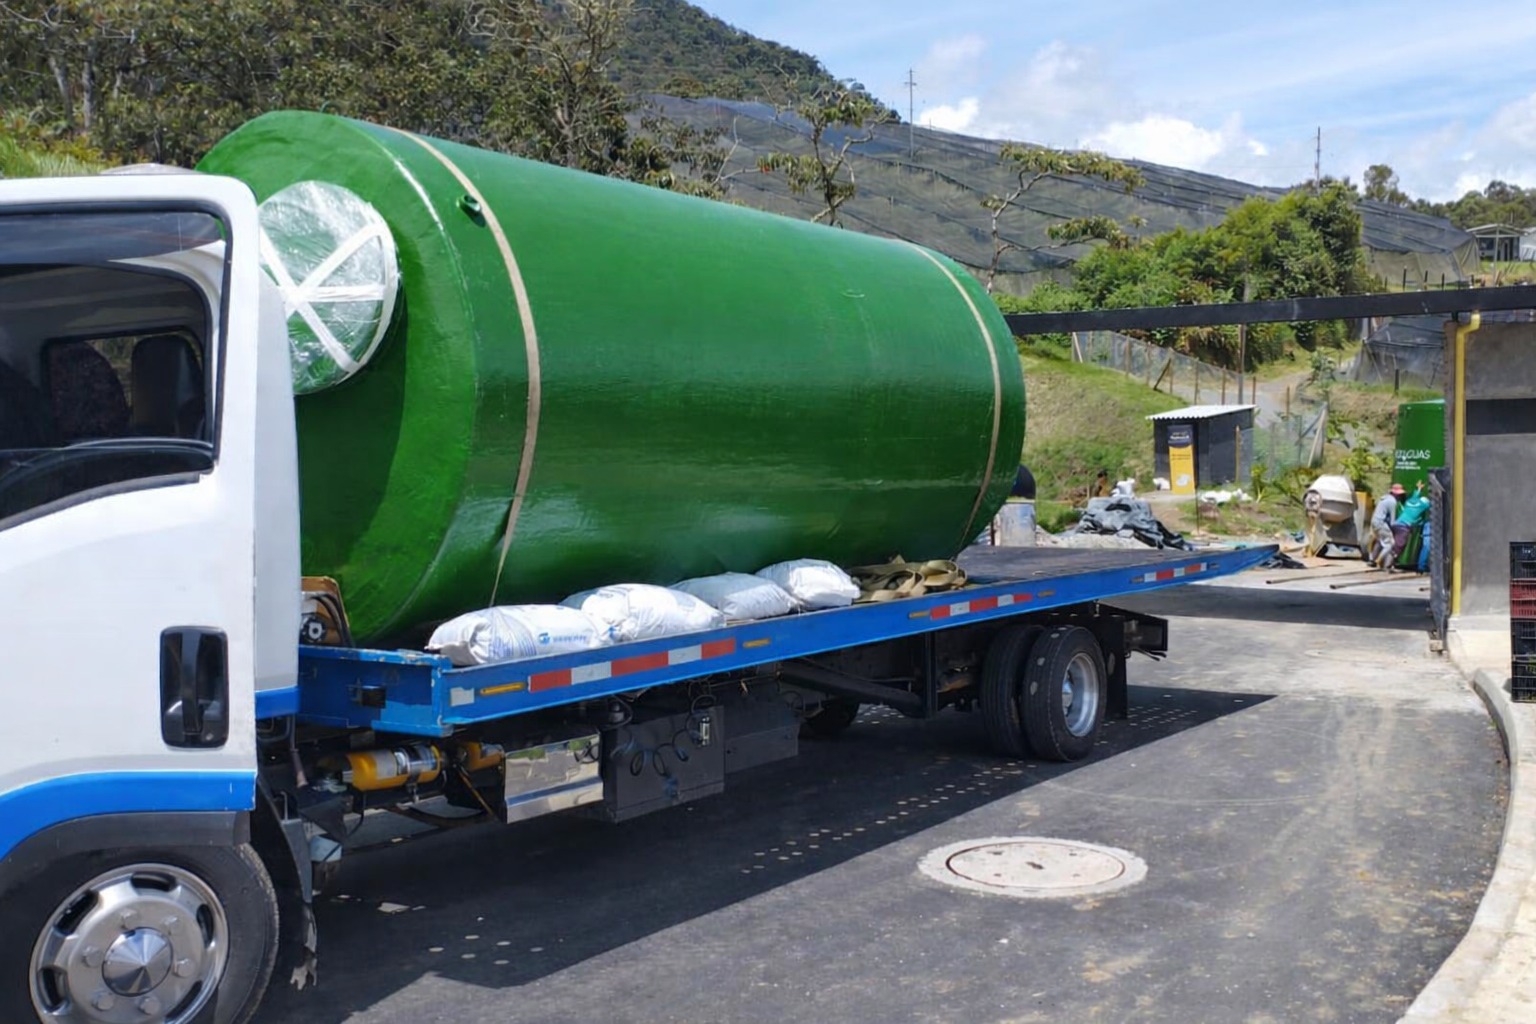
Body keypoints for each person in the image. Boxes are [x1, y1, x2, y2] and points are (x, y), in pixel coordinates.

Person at [1394, 481, 1431, 571]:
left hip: (1397, 523)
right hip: (1405, 526)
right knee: (1400, 545)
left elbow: (1415, 497)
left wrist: (1418, 489)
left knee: (1396, 543)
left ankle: (1391, 559)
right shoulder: (1424, 505)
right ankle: (1392, 561)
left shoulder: (1409, 501)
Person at [1370, 482, 1406, 570]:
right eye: (1399, 495)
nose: (1400, 496)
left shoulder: (1383, 498)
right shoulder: (1392, 502)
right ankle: (1377, 561)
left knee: (1379, 541)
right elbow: (1393, 521)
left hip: (1374, 521)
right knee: (1390, 544)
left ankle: (1371, 559)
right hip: (1381, 523)